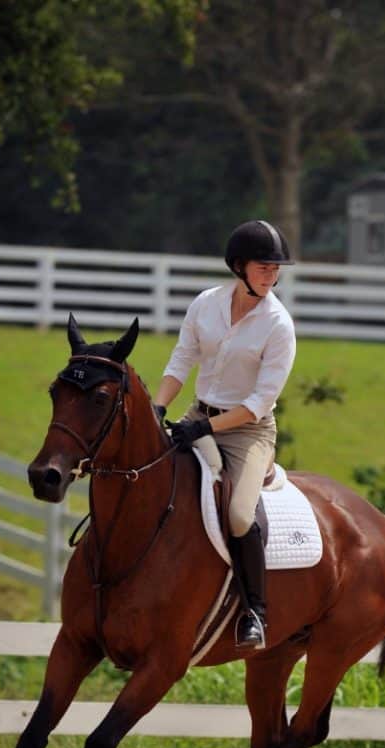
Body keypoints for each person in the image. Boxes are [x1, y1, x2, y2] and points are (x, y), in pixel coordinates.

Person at [154, 220, 297, 650]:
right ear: (239, 267)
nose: (271, 275)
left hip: (248, 431)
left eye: (276, 269)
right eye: (264, 267)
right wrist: (157, 408)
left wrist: (205, 427)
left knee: (238, 513)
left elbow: (257, 403)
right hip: (198, 412)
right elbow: (182, 361)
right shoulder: (206, 304)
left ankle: (255, 612)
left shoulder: (278, 325)